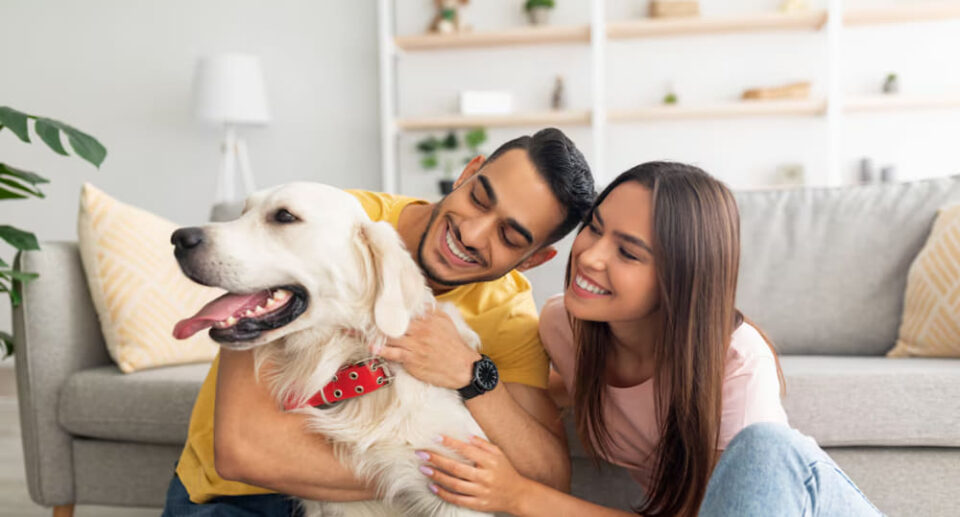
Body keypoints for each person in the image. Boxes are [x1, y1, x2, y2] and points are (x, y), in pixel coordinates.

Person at [162, 128, 596, 515]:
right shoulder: (332, 219)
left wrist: (471, 372)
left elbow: (543, 480)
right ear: (468, 172)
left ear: (534, 259)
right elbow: (244, 452)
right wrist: (446, 477)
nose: (472, 233)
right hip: (240, 500)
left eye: (510, 236)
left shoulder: (507, 309)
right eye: (479, 198)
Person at [416, 162, 884, 516]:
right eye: (594, 228)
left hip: (805, 502)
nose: (591, 257)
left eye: (628, 253)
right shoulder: (565, 327)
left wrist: (520, 496)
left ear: (678, 277)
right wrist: (467, 370)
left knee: (766, 447)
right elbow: (542, 396)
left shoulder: (737, 360)